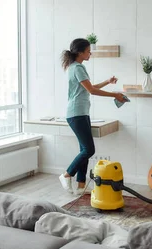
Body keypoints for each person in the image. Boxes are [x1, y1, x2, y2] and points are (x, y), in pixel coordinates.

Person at [58, 38, 127, 195]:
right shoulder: (78, 68)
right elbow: (92, 91)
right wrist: (114, 95)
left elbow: (90, 87)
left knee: (84, 149)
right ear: (80, 52)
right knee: (89, 149)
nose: (90, 53)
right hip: (77, 113)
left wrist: (107, 82)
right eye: (88, 51)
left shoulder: (75, 67)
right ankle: (67, 174)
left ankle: (81, 186)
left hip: (80, 112)